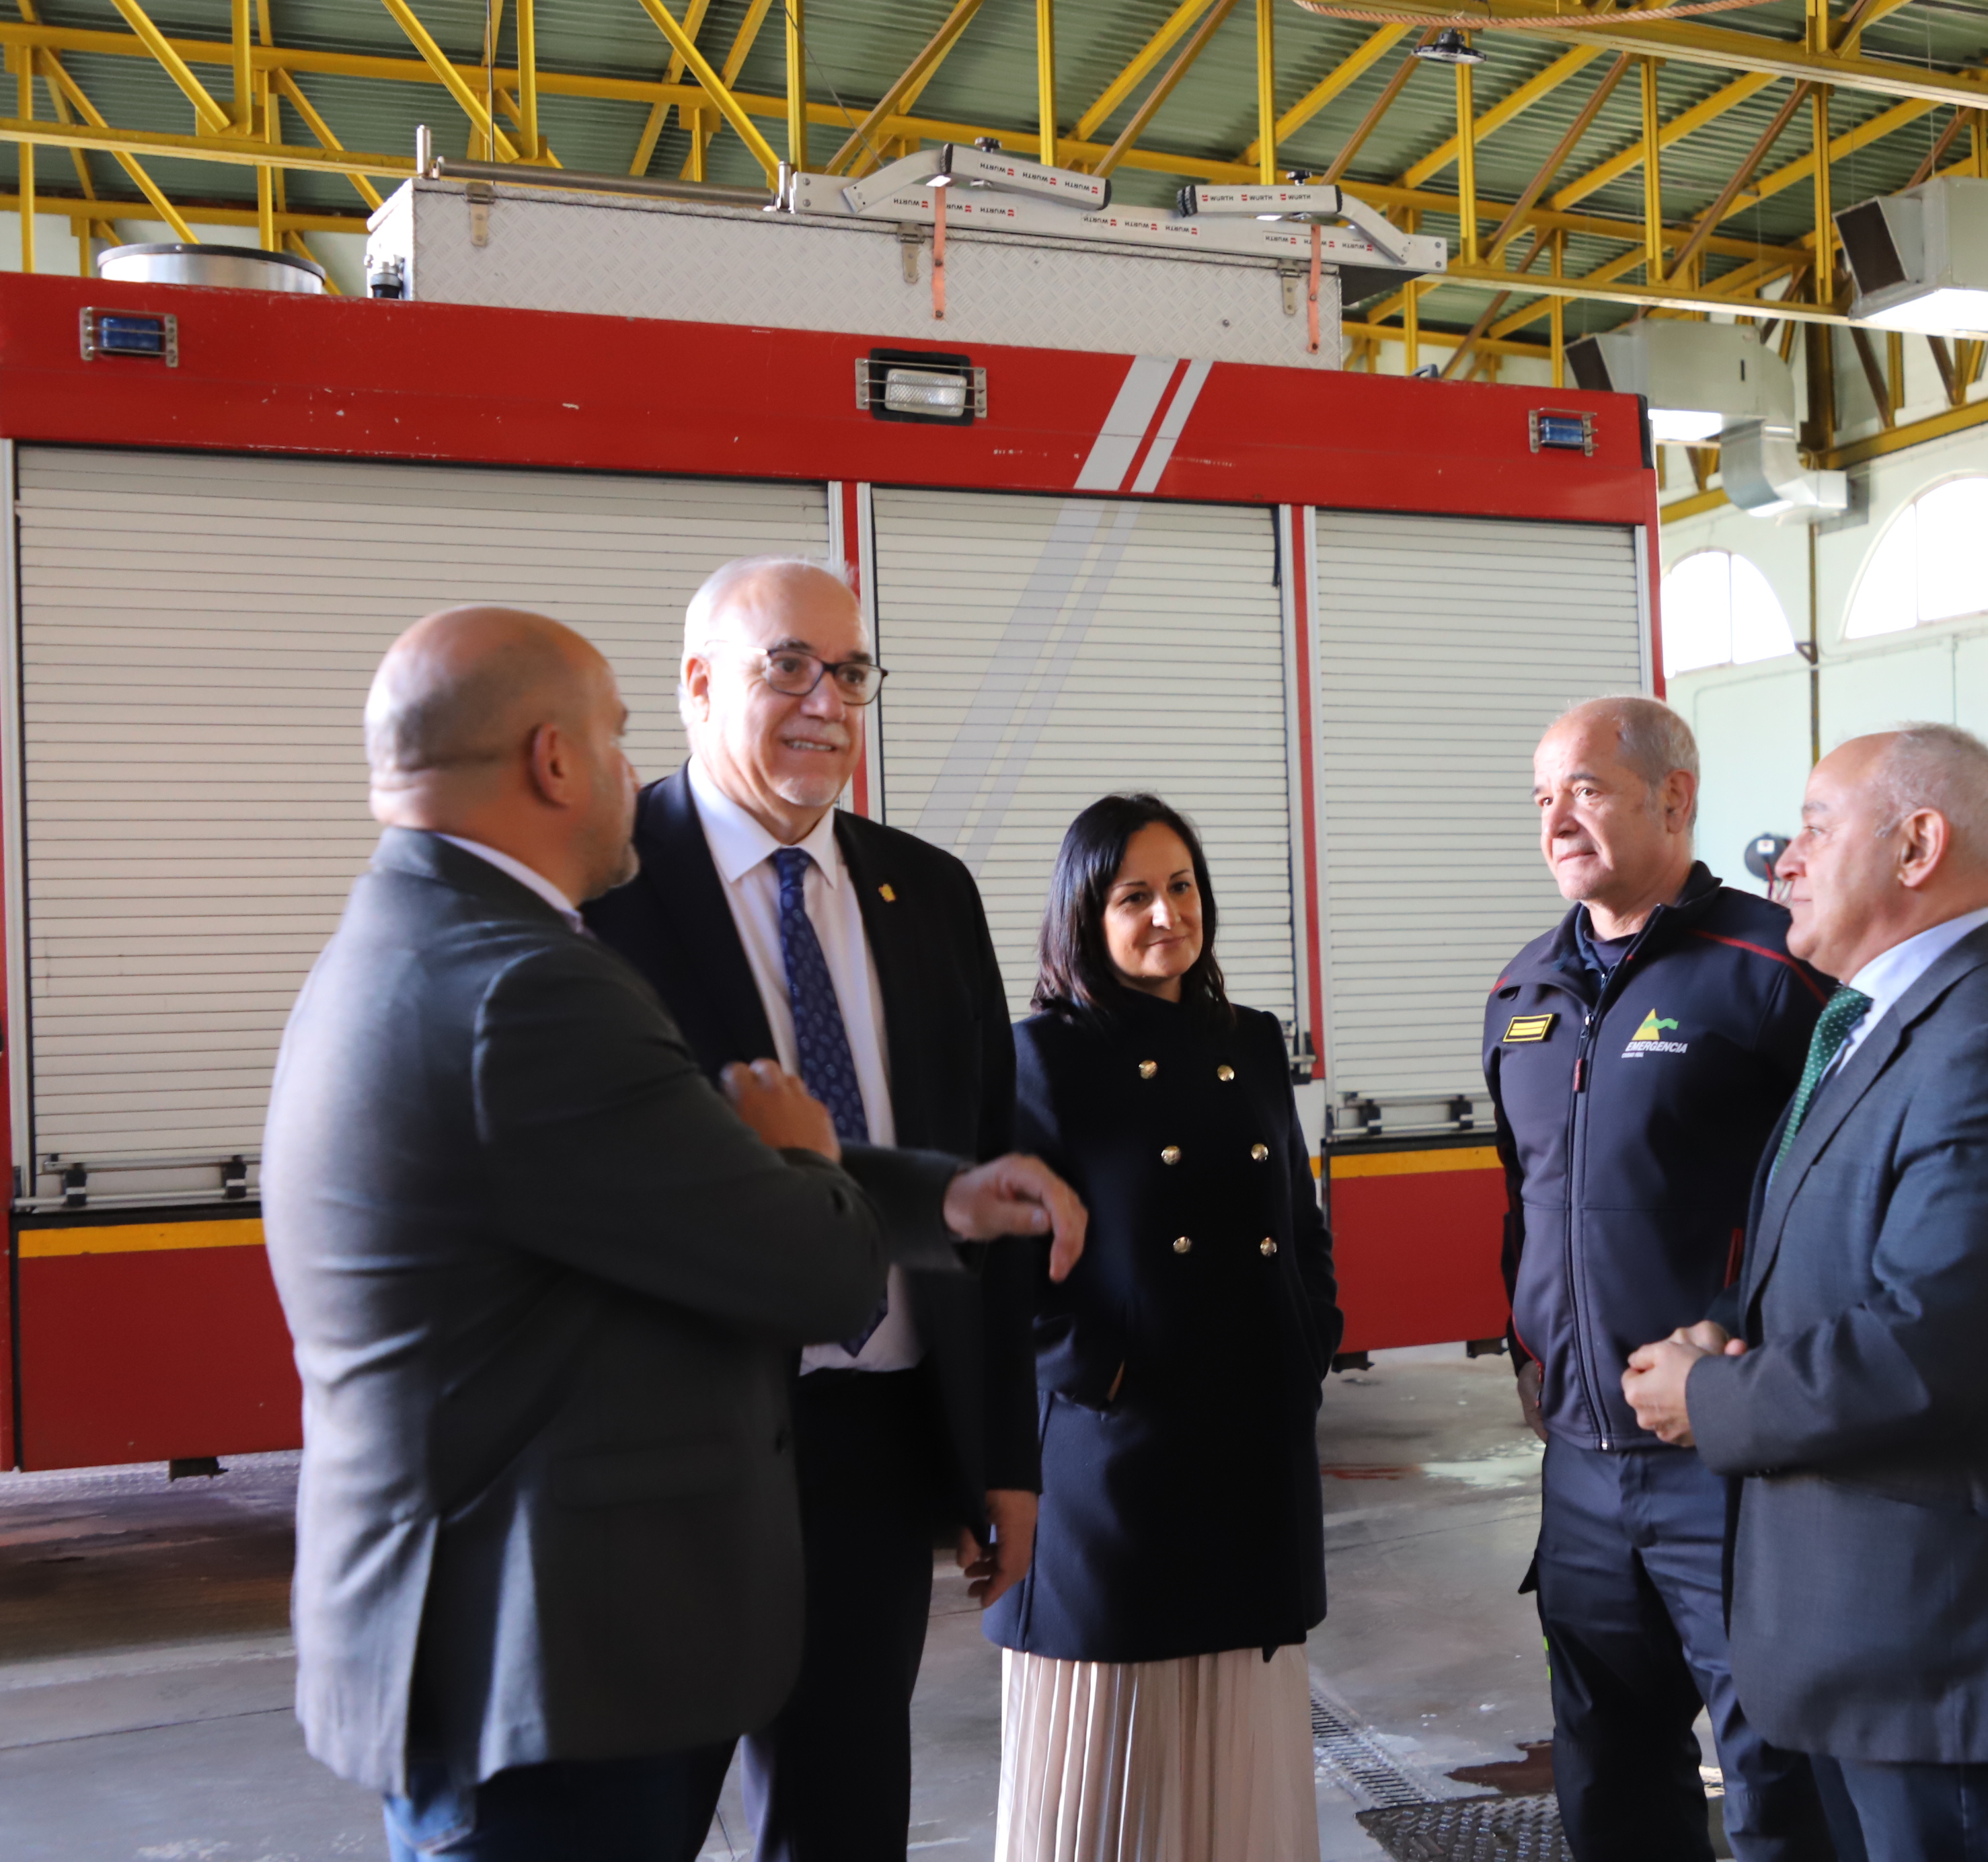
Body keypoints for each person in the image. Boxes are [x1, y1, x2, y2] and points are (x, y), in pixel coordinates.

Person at [264, 606, 1084, 1862]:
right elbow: (813, 1270)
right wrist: (802, 1157)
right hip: (548, 1658)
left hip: (516, 1644)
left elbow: (669, 1176)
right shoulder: (530, 986)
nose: (626, 770)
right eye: (613, 737)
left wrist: (942, 1200)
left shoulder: (411, 944)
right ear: (553, 761)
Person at [582, 555, 1050, 1862]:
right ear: (697, 685)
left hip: (875, 1452)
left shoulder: (930, 893)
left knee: (843, 1821)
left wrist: (1003, 1455)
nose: (826, 703)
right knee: (633, 1824)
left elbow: (984, 1184)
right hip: (674, 1461)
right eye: (786, 667)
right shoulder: (600, 894)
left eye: (849, 672)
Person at [1621, 723, 1988, 1862]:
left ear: (1916, 847)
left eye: (1813, 828)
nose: (1782, 861)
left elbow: (1927, 1350)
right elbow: (1832, 1261)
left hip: (1933, 1652)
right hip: (1863, 1640)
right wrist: (1723, 1334)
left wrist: (1707, 1398)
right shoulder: (1885, 1023)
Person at [1485, 695, 1832, 1862]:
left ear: (1675, 799)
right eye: (1544, 798)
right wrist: (1531, 1353)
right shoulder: (1523, 992)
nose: (1556, 821)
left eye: (1585, 790)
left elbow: (1836, 1200)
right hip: (1581, 1465)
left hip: (1729, 1458)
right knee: (1609, 1778)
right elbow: (1524, 1203)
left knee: (1782, 1775)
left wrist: (1740, 1355)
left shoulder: (1775, 969)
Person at [983, 793, 1342, 1862]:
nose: (1165, 915)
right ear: (1085, 915)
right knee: (1111, 1776)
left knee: (1234, 1756)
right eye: (1133, 896)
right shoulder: (1040, 1056)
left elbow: (1298, 1220)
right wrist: (1101, 1370)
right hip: (1118, 1469)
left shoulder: (1253, 1040)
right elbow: (1001, 1266)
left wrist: (1311, 1336)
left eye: (1181, 887)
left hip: (1252, 1448)